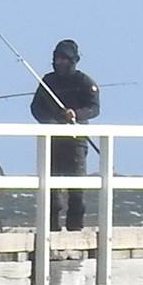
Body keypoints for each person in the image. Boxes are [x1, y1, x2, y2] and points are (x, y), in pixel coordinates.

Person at [28, 38, 102, 232]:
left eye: (64, 59)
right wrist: (52, 121)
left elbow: (94, 108)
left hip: (76, 141)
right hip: (52, 140)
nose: (60, 62)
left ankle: (75, 227)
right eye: (57, 59)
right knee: (51, 186)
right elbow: (36, 108)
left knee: (76, 188)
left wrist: (76, 114)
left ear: (73, 60)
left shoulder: (84, 81)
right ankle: (51, 226)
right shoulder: (48, 81)